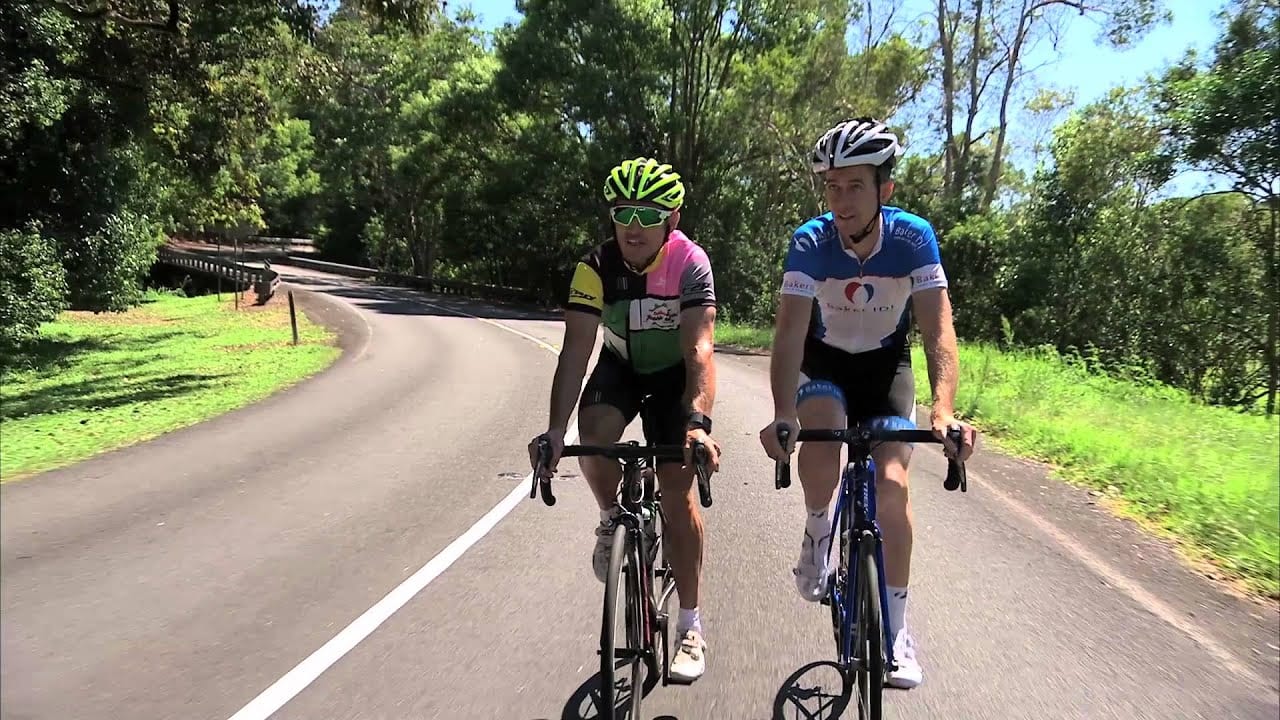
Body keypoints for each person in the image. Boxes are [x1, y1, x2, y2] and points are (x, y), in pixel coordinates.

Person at [757, 117, 978, 690]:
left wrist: (944, 410)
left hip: (886, 369)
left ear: (886, 190)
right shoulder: (811, 241)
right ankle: (816, 528)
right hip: (824, 363)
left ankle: (898, 632)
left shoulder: (912, 238)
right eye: (832, 186)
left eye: (855, 185)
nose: (841, 199)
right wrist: (784, 412)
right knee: (824, 424)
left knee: (895, 485)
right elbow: (787, 335)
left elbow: (937, 331)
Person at [529, 156, 722, 683]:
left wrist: (698, 420)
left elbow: (701, 349)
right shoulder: (595, 267)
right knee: (591, 439)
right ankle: (613, 515)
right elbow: (575, 351)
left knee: (678, 498)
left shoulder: (690, 263)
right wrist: (552, 430)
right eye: (623, 213)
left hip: (671, 376)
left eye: (647, 213)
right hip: (620, 368)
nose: (633, 226)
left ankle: (690, 626)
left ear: (671, 220)